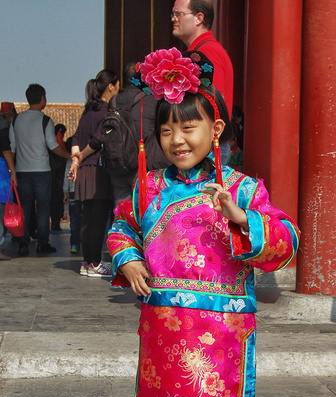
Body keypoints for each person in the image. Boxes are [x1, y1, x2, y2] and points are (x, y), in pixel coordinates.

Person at [107, 48, 300, 397]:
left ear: (215, 130)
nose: (177, 140)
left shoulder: (242, 188)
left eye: (188, 128)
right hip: (166, 331)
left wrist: (241, 219)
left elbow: (286, 239)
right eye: (167, 131)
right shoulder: (148, 189)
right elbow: (121, 226)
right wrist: (127, 258)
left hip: (222, 339)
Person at [9, 84, 71, 256]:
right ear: (42, 98)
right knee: (43, 208)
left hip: (22, 171)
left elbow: (12, 148)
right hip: (42, 171)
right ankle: (42, 243)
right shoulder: (45, 121)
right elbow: (53, 146)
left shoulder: (16, 120)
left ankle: (23, 241)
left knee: (26, 208)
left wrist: (13, 171)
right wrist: (69, 155)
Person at [70, 69, 119, 278]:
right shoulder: (106, 110)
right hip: (98, 169)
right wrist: (82, 155)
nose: (118, 89)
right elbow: (99, 140)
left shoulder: (88, 110)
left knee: (87, 219)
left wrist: (76, 159)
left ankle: (87, 262)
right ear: (111, 86)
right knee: (98, 220)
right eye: (117, 85)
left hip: (85, 171)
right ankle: (97, 263)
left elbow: (75, 137)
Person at [106, 61, 170, 206]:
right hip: (142, 163)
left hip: (119, 162)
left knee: (122, 211)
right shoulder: (152, 98)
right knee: (144, 210)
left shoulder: (114, 100)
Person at [171, 0, 234, 116]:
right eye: (173, 14)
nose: (173, 19)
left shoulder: (208, 51)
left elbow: (214, 102)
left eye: (179, 14)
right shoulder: (200, 50)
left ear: (199, 18)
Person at [0, 103, 17, 260]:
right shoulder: (2, 128)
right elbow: (6, 150)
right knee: (1, 209)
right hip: (1, 172)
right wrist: (13, 172)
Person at [63, 137, 80, 254]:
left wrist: (65, 192)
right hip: (84, 193)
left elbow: (66, 178)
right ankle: (86, 241)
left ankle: (74, 244)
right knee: (86, 219)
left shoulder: (70, 162)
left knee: (74, 219)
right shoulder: (85, 160)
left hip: (73, 192)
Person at [50, 123, 67, 231]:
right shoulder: (60, 146)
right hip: (57, 177)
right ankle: (56, 222)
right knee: (56, 201)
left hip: (53, 177)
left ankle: (55, 222)